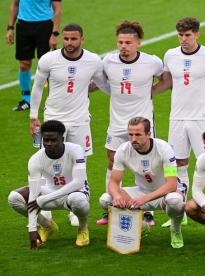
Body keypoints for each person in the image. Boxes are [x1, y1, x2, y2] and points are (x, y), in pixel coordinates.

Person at [153, 17, 205, 227]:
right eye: (180, 35)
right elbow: (166, 81)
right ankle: (181, 209)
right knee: (177, 163)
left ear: (197, 34)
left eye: (187, 35)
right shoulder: (170, 54)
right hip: (176, 117)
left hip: (201, 118)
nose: (183, 39)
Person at [29, 23, 104, 227]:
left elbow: (104, 84)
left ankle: (76, 206)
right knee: (45, 161)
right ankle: (46, 205)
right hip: (53, 119)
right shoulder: (49, 59)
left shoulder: (93, 60)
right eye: (67, 38)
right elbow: (37, 87)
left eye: (74, 39)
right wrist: (33, 117)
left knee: (79, 163)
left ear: (82, 39)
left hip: (80, 120)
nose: (69, 43)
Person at [96, 21, 164, 226]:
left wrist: (150, 94)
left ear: (138, 44)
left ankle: (147, 210)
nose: (123, 46)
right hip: (117, 123)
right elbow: (102, 82)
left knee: (147, 164)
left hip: (143, 124)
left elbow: (166, 79)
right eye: (120, 42)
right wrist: (113, 93)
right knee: (112, 160)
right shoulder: (108, 61)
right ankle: (112, 209)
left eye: (127, 42)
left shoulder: (152, 62)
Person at [98, 117, 185, 249]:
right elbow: (113, 182)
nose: (133, 139)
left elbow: (171, 185)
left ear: (149, 134)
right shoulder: (123, 150)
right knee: (105, 200)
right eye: (130, 134)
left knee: (175, 202)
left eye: (138, 134)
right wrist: (117, 196)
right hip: (141, 191)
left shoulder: (164, 148)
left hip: (165, 193)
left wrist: (143, 199)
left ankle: (176, 230)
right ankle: (141, 226)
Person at [7, 120, 90, 249]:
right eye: (46, 140)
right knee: (14, 198)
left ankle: (83, 228)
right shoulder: (35, 159)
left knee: (78, 200)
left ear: (62, 139)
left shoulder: (75, 150)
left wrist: (44, 199)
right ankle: (47, 226)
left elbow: (78, 182)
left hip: (73, 193)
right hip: (48, 194)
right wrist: (32, 229)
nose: (49, 144)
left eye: (53, 140)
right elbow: (34, 194)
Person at [6, 0, 62, 111]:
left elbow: (58, 9)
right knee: (24, 65)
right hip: (23, 26)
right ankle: (27, 100)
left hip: (44, 26)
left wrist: (54, 34)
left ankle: (53, 102)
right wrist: (10, 28)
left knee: (47, 66)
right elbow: (15, 4)